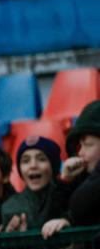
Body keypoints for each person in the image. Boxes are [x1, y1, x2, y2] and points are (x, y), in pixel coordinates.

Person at [42, 99, 100, 235]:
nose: (80, 153)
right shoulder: (85, 177)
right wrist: (65, 181)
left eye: (88, 144)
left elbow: (79, 207)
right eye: (80, 146)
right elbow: (50, 218)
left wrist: (71, 219)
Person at [0, 136, 71, 233]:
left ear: (54, 166)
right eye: (26, 161)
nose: (33, 165)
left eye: (41, 159)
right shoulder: (10, 206)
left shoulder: (70, 195)